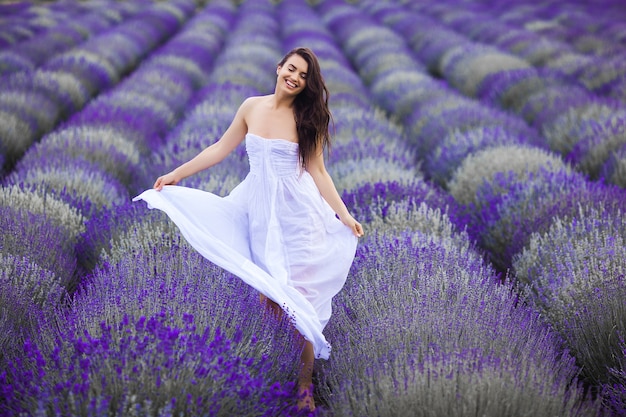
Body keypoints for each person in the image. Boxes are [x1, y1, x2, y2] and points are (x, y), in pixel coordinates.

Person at [133, 47, 363, 411]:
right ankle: (273, 366)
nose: (295, 78)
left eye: (304, 75)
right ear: (279, 68)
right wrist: (179, 173)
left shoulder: (309, 118)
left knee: (297, 298)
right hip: (258, 211)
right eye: (292, 69)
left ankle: (304, 385)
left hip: (298, 214)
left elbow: (318, 172)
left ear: (307, 83)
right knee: (268, 294)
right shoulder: (251, 106)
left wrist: (344, 215)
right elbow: (221, 148)